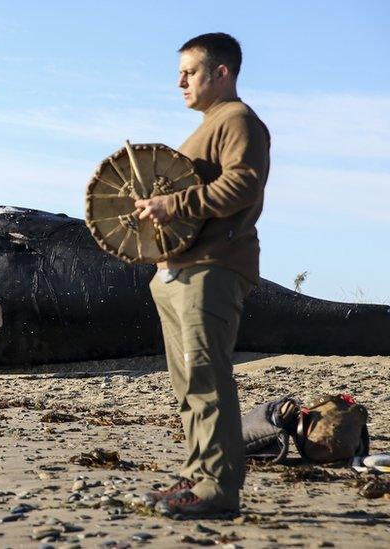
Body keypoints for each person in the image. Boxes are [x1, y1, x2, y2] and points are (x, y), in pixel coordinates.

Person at [134, 33, 271, 518]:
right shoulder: (206, 127)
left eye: (189, 72)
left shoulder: (237, 120)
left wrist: (173, 204)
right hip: (179, 270)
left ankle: (217, 488)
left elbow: (242, 185)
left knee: (207, 380)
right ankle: (197, 475)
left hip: (213, 269)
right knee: (188, 383)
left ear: (222, 73)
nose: (179, 82)